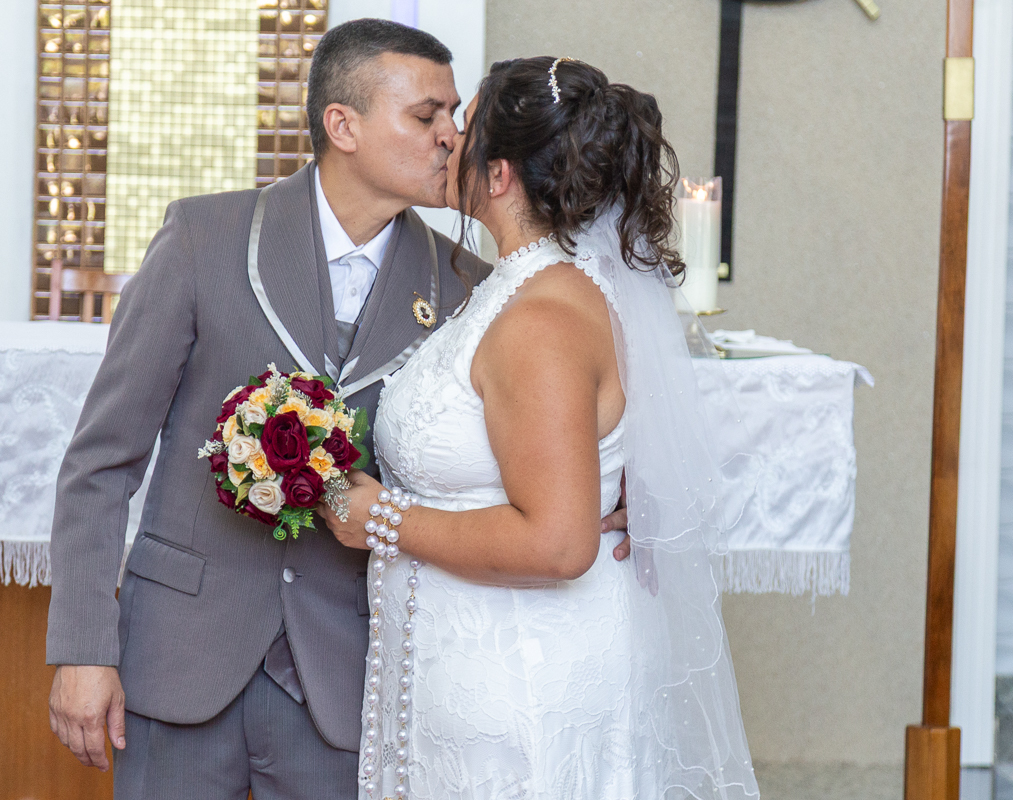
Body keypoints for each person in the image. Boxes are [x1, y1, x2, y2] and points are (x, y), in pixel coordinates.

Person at [46, 21, 629, 799]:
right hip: (179, 656)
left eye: (456, 116)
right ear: (342, 125)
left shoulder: (475, 287)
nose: (452, 139)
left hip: (351, 674)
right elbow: (101, 460)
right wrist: (83, 646)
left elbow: (535, 444)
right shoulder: (205, 237)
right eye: (427, 117)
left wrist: (622, 502)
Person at [320, 57, 759, 800]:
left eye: (462, 128)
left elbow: (558, 543)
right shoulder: (514, 289)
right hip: (472, 667)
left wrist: (380, 519)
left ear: (498, 177)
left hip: (521, 688)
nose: (445, 141)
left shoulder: (543, 318)